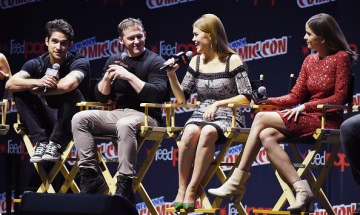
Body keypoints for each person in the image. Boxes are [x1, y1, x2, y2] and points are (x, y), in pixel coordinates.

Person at [208, 13, 357, 211]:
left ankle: (237, 180)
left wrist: (306, 106)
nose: (305, 37)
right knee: (267, 135)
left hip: (326, 119)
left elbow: (339, 98)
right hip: (305, 116)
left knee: (261, 118)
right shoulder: (309, 61)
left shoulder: (341, 58)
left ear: (323, 37)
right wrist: (266, 101)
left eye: (308, 34)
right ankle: (302, 189)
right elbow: (294, 97)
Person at [71, 18, 169, 203]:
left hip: (148, 116)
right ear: (121, 41)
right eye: (131, 38)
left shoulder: (156, 61)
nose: (136, 41)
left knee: (125, 124)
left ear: (145, 35)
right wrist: (107, 79)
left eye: (139, 36)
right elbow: (102, 98)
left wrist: (129, 76)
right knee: (79, 118)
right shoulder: (114, 60)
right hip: (118, 112)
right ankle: (90, 176)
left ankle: (124, 182)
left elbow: (157, 95)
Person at [163, 14, 253, 211]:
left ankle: (193, 189)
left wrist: (220, 104)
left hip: (229, 115)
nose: (193, 40)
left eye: (196, 35)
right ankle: (181, 188)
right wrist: (171, 75)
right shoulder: (195, 62)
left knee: (208, 132)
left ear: (210, 35)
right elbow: (181, 98)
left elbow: (247, 96)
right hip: (201, 114)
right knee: (189, 133)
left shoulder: (232, 60)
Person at [6, 19, 90, 163]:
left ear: (70, 44)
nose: (59, 47)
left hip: (71, 122)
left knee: (72, 91)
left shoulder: (79, 61)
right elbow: (10, 83)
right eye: (54, 41)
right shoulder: (37, 63)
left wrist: (37, 91)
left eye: (63, 43)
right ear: (47, 41)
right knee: (20, 90)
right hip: (47, 119)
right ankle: (41, 142)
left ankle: (55, 144)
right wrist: (38, 82)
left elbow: (67, 85)